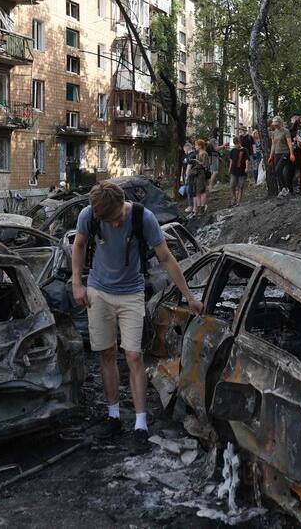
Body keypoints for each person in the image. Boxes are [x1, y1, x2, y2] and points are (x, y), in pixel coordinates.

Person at [72, 182, 204, 452]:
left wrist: (189, 296)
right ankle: (113, 416)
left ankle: (141, 425)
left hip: (131, 293)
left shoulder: (144, 218)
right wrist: (77, 283)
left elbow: (166, 258)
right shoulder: (89, 216)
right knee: (106, 353)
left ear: (123, 203)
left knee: (133, 355)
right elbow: (79, 245)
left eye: (118, 218)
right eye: (110, 221)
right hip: (98, 292)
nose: (116, 224)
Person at [269, 118, 295, 197]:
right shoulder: (273, 133)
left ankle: (285, 188)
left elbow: (289, 142)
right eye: (275, 124)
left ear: (280, 123)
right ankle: (282, 189)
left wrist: (291, 154)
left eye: (277, 124)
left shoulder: (286, 131)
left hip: (285, 152)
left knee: (278, 169)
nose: (276, 126)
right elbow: (273, 145)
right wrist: (271, 156)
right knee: (277, 171)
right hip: (277, 153)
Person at [228, 136, 249, 206]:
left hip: (242, 171)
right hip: (234, 171)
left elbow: (247, 159)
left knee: (241, 186)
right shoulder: (233, 150)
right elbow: (231, 160)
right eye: (235, 144)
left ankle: (238, 201)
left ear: (240, 142)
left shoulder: (244, 150)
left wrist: (247, 168)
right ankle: (234, 197)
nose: (237, 145)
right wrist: (229, 169)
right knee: (232, 185)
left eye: (238, 143)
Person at [195, 139, 211, 214]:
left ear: (200, 146)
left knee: (202, 191)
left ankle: (202, 207)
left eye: (196, 145)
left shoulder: (204, 153)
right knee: (197, 191)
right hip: (197, 173)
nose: (195, 146)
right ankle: (198, 208)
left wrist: (198, 162)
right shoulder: (198, 153)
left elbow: (205, 165)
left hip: (202, 174)